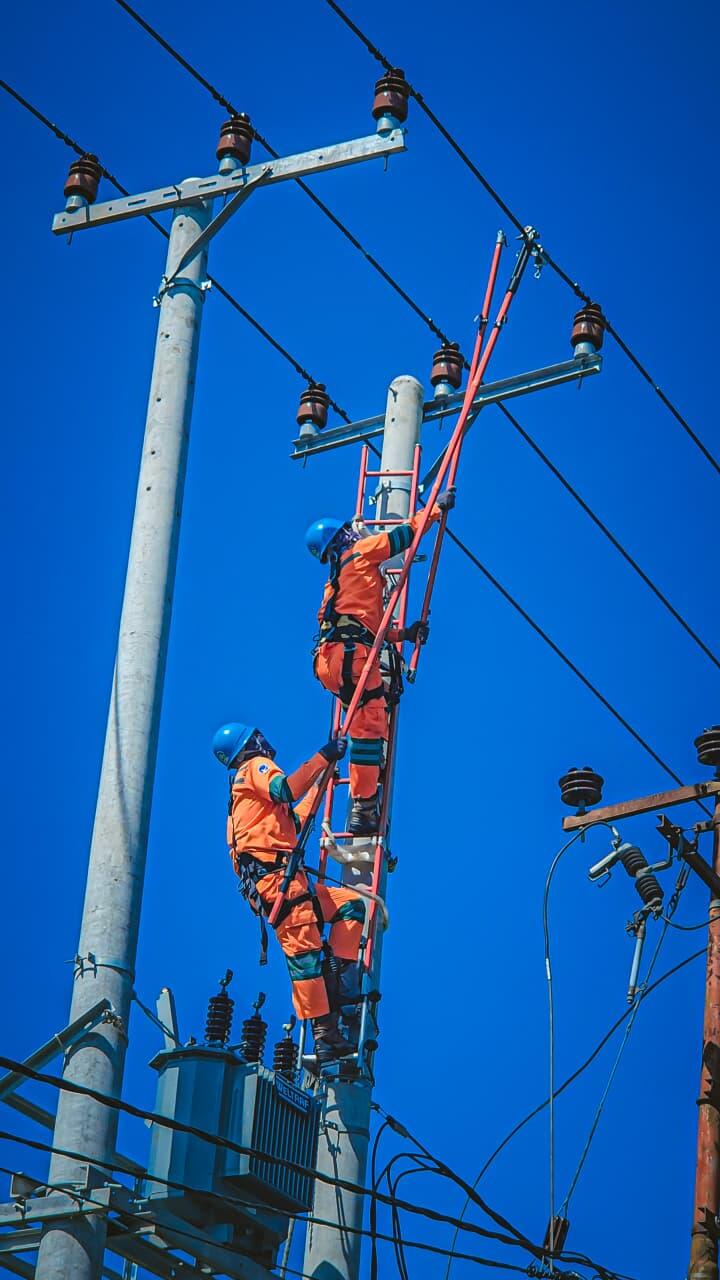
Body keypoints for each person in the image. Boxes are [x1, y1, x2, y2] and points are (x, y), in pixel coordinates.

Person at [212, 721, 365, 1065]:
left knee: (350, 906)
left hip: (288, 883)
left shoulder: (248, 801)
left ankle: (341, 986)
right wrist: (322, 756)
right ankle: (325, 1033)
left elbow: (295, 820)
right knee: (305, 958)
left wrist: (321, 778)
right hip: (279, 885)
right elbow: (287, 789)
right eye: (256, 738)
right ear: (248, 747)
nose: (264, 741)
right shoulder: (254, 768)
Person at [305, 490, 455, 834]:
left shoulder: (334, 585)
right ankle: (363, 805)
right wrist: (434, 509)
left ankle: (364, 795)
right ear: (343, 538)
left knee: (364, 718)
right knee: (370, 725)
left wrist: (404, 635)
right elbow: (403, 537)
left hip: (331, 661)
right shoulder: (360, 552)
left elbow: (363, 626)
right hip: (352, 657)